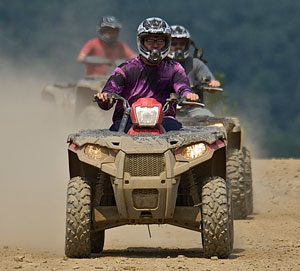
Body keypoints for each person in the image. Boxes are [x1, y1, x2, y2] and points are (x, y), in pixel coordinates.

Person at [95, 17, 199, 133]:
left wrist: (188, 95)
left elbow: (182, 86)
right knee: (108, 142)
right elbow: (109, 92)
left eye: (160, 41)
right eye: (150, 41)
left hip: (164, 119)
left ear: (166, 43)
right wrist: (105, 97)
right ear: (142, 42)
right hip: (127, 119)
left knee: (182, 139)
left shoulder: (174, 68)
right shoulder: (125, 69)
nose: (155, 46)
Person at [168, 25, 221, 102]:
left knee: (205, 114)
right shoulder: (159, 64)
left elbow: (210, 83)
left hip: (191, 107)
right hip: (164, 108)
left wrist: (212, 83)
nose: (178, 47)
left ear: (187, 45)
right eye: (174, 44)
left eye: (182, 44)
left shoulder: (195, 64)